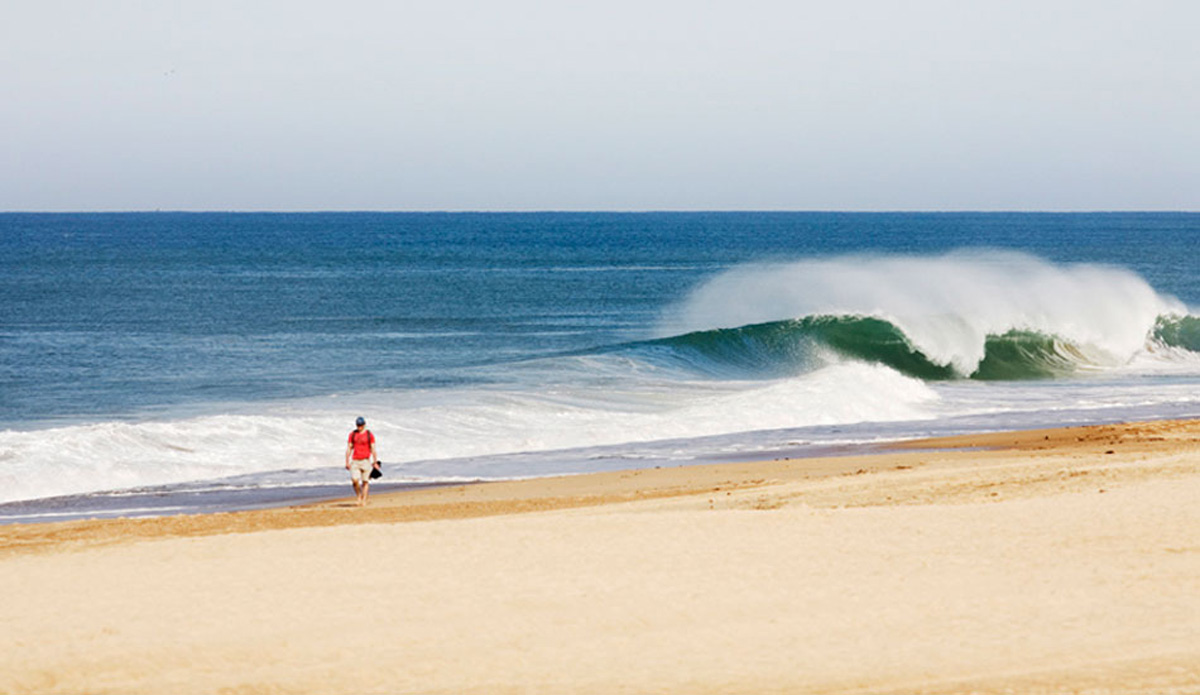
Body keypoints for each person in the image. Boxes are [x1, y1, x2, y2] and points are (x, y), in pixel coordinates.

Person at [344, 416, 379, 506]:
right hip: (355, 460)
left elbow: (373, 449)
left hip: (366, 460)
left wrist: (375, 462)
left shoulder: (369, 435)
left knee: (365, 481)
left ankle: (363, 499)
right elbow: (349, 448)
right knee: (354, 480)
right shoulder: (353, 434)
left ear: (364, 425)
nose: (359, 427)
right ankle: (359, 496)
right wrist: (347, 461)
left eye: (361, 425)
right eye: (358, 425)